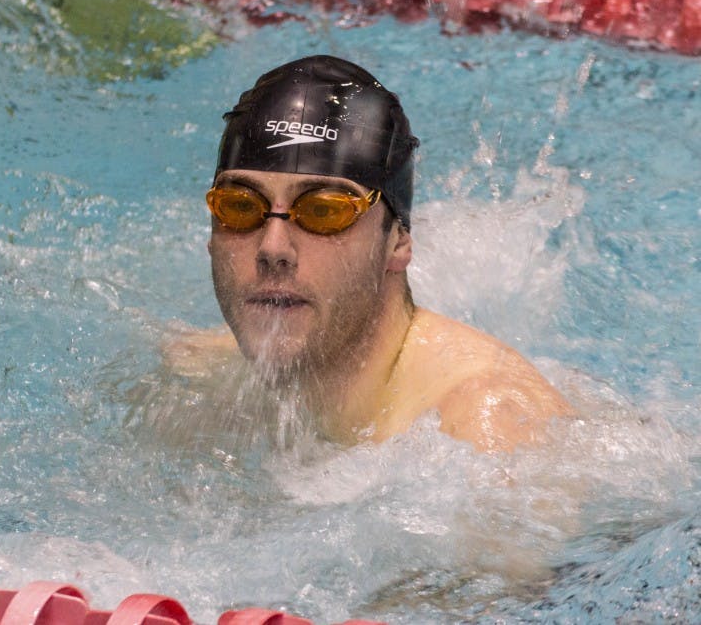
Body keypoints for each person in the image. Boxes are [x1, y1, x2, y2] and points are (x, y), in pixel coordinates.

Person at [169, 54, 572, 453]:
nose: (273, 248)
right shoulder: (197, 373)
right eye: (240, 207)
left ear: (397, 241)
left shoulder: (485, 427)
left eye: (325, 211)